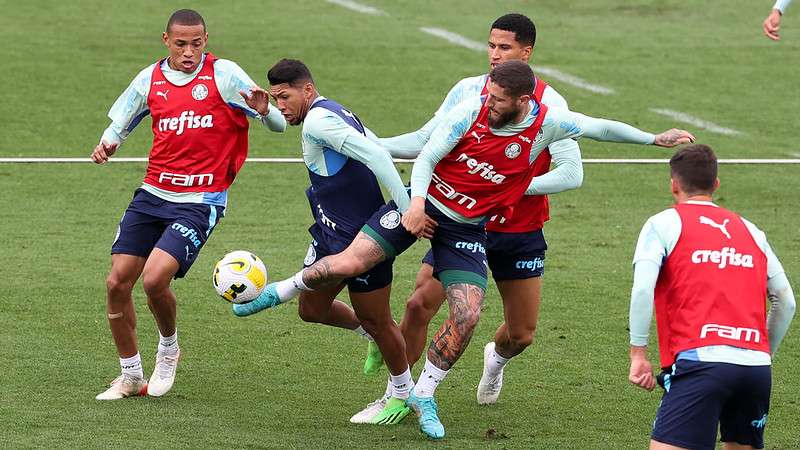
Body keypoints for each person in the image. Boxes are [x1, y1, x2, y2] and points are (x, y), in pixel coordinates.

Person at [236, 60, 694, 439]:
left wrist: (653, 138)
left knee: (468, 314)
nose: (487, 102)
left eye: (496, 99)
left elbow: (600, 128)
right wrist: (413, 208)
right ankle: (280, 290)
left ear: (523, 101)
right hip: (424, 206)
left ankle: (424, 394)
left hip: (467, 231)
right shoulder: (468, 114)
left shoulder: (546, 125)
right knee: (353, 262)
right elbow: (428, 157)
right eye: (488, 94)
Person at [352, 14, 586, 423]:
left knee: (522, 334)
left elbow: (571, 173)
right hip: (460, 223)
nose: (494, 56)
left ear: (526, 52)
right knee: (419, 304)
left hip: (517, 228)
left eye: (505, 48)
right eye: (491, 46)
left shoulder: (552, 106)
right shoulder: (467, 91)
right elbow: (428, 142)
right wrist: (371, 144)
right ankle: (398, 396)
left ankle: (495, 360)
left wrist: (502, 189)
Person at [91, 9, 286, 400]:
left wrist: (266, 112)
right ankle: (130, 375)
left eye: (196, 43)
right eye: (180, 44)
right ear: (166, 41)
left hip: (200, 200)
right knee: (116, 283)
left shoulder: (225, 75)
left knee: (154, 279)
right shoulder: (151, 78)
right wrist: (108, 142)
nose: (188, 52)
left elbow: (278, 123)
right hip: (152, 194)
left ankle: (168, 349)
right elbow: (123, 118)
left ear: (206, 40)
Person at [253, 58, 416, 424]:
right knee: (311, 310)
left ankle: (402, 395)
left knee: (380, 321)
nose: (281, 105)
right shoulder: (333, 111)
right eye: (276, 98)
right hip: (329, 236)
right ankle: (369, 336)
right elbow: (379, 145)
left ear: (307, 90)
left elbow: (376, 155)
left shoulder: (319, 120)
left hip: (363, 241)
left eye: (284, 97)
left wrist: (409, 211)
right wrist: (266, 113)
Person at [627, 144, 795, 449]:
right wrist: (760, 354)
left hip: (700, 363)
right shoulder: (751, 230)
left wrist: (638, 353)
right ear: (716, 185)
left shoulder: (663, 223)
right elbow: (786, 301)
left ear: (673, 184)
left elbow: (642, 288)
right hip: (755, 370)